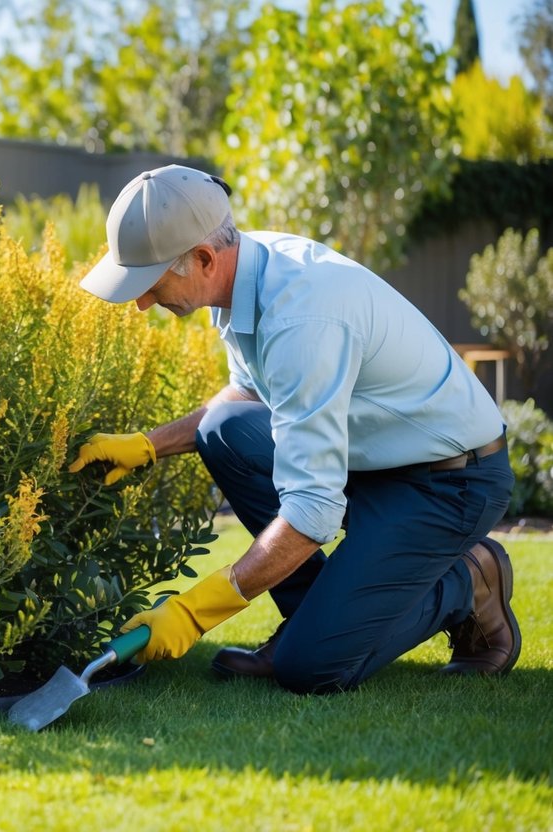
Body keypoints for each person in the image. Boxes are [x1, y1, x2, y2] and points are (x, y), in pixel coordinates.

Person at [68, 165, 519, 693]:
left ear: (204, 259)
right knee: (224, 429)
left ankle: (471, 580)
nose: (143, 302)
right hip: (376, 461)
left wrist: (195, 612)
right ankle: (315, 619)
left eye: (150, 281)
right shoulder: (246, 275)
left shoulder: (302, 317)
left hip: (449, 483)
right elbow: (247, 395)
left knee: (312, 670)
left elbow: (313, 511)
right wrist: (148, 447)